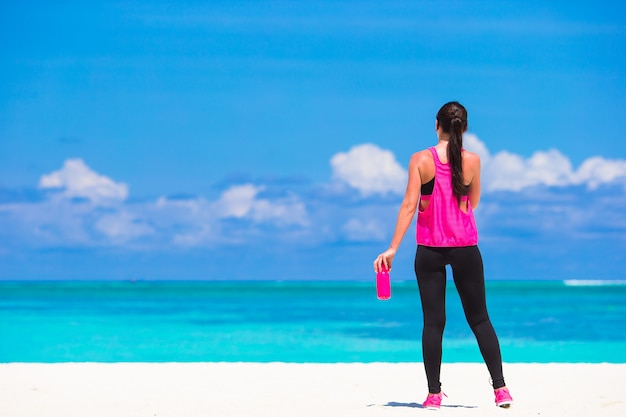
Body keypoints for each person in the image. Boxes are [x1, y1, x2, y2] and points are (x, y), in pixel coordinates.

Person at [373, 102, 513, 409]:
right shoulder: (473, 161)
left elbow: (409, 205)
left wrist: (393, 248)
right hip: (465, 247)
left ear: (436, 124)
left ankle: (434, 395)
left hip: (430, 250)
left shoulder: (420, 159)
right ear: (464, 128)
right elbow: (471, 203)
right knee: (479, 319)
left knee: (434, 323)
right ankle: (501, 389)